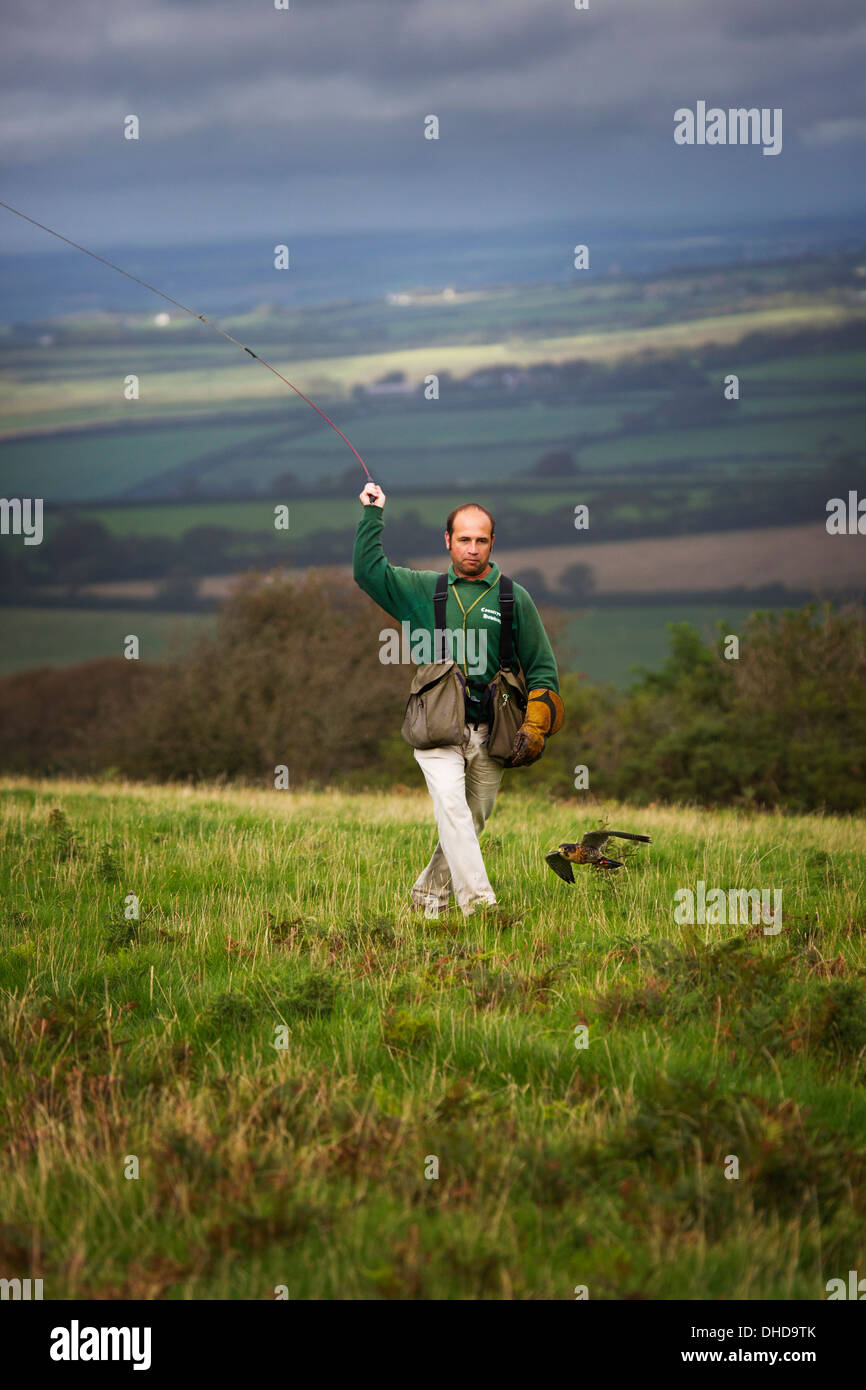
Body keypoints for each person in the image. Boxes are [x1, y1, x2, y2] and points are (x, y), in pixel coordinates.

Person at [353, 482, 564, 919]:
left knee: (471, 820)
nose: (472, 549)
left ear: (492, 543)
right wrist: (373, 515)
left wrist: (536, 724)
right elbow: (368, 572)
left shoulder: (512, 598)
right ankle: (482, 907)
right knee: (452, 808)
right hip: (436, 725)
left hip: (493, 729)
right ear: (447, 541)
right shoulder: (421, 589)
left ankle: (428, 898)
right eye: (463, 539)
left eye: (481, 540)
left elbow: (542, 668)